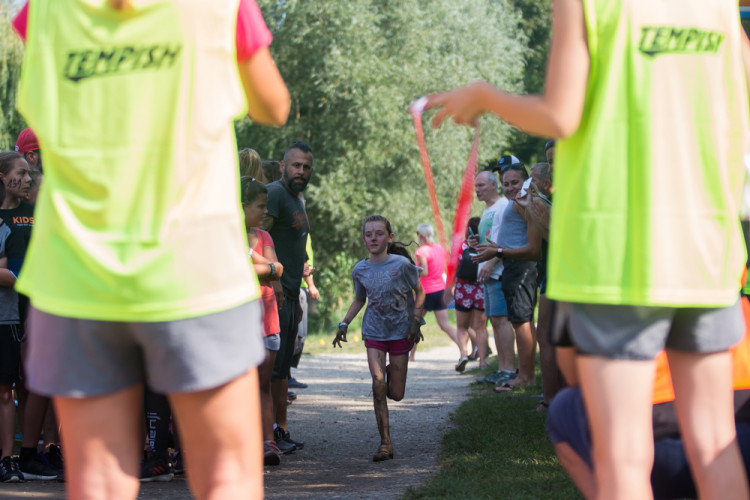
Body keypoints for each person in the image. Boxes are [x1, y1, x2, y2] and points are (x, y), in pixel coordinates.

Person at [424, 1, 750, 497]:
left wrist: (485, 96)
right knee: (714, 442)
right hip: (707, 252)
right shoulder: (717, 6)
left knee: (622, 452)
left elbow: (560, 113)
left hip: (616, 257)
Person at [13, 0, 290, 498]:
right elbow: (273, 106)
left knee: (98, 480)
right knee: (225, 475)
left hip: (78, 270)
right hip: (193, 267)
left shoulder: (45, 10)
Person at [333, 215, 425, 462]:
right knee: (377, 383)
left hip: (400, 331)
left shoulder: (402, 265)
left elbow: (420, 291)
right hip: (374, 331)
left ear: (390, 238)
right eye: (368, 234)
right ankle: (385, 443)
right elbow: (359, 299)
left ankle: (388, 375)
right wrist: (344, 323)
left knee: (396, 393)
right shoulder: (360, 270)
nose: (373, 238)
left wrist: (416, 320)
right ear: (364, 239)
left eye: (379, 233)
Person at [262, 141, 314, 453]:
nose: (301, 171)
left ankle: (280, 430)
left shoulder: (297, 198)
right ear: (284, 166)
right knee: (271, 369)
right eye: (295, 165)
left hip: (293, 294)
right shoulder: (275, 194)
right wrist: (274, 277)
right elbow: (256, 236)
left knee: (283, 369)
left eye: (306, 167)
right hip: (275, 294)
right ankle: (267, 433)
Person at [241, 176, 286, 465]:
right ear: (242, 206)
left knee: (263, 383)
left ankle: (267, 441)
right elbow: (264, 268)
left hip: (268, 322)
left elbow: (278, 269)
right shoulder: (225, 237)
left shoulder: (265, 236)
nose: (265, 212)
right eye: (260, 206)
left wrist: (252, 260)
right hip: (241, 322)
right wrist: (266, 266)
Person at [414, 224, 463, 369]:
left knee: (414, 324)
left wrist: (410, 271)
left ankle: (410, 356)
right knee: (446, 325)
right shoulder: (440, 249)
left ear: (420, 236)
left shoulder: (421, 251)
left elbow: (424, 272)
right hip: (440, 290)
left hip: (425, 292)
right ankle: (463, 352)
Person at [453, 217, 489, 368]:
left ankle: (463, 354)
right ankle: (482, 361)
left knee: (462, 326)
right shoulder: (486, 246)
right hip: (480, 288)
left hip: (463, 289)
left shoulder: (461, 246)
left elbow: (454, 266)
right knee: (480, 327)